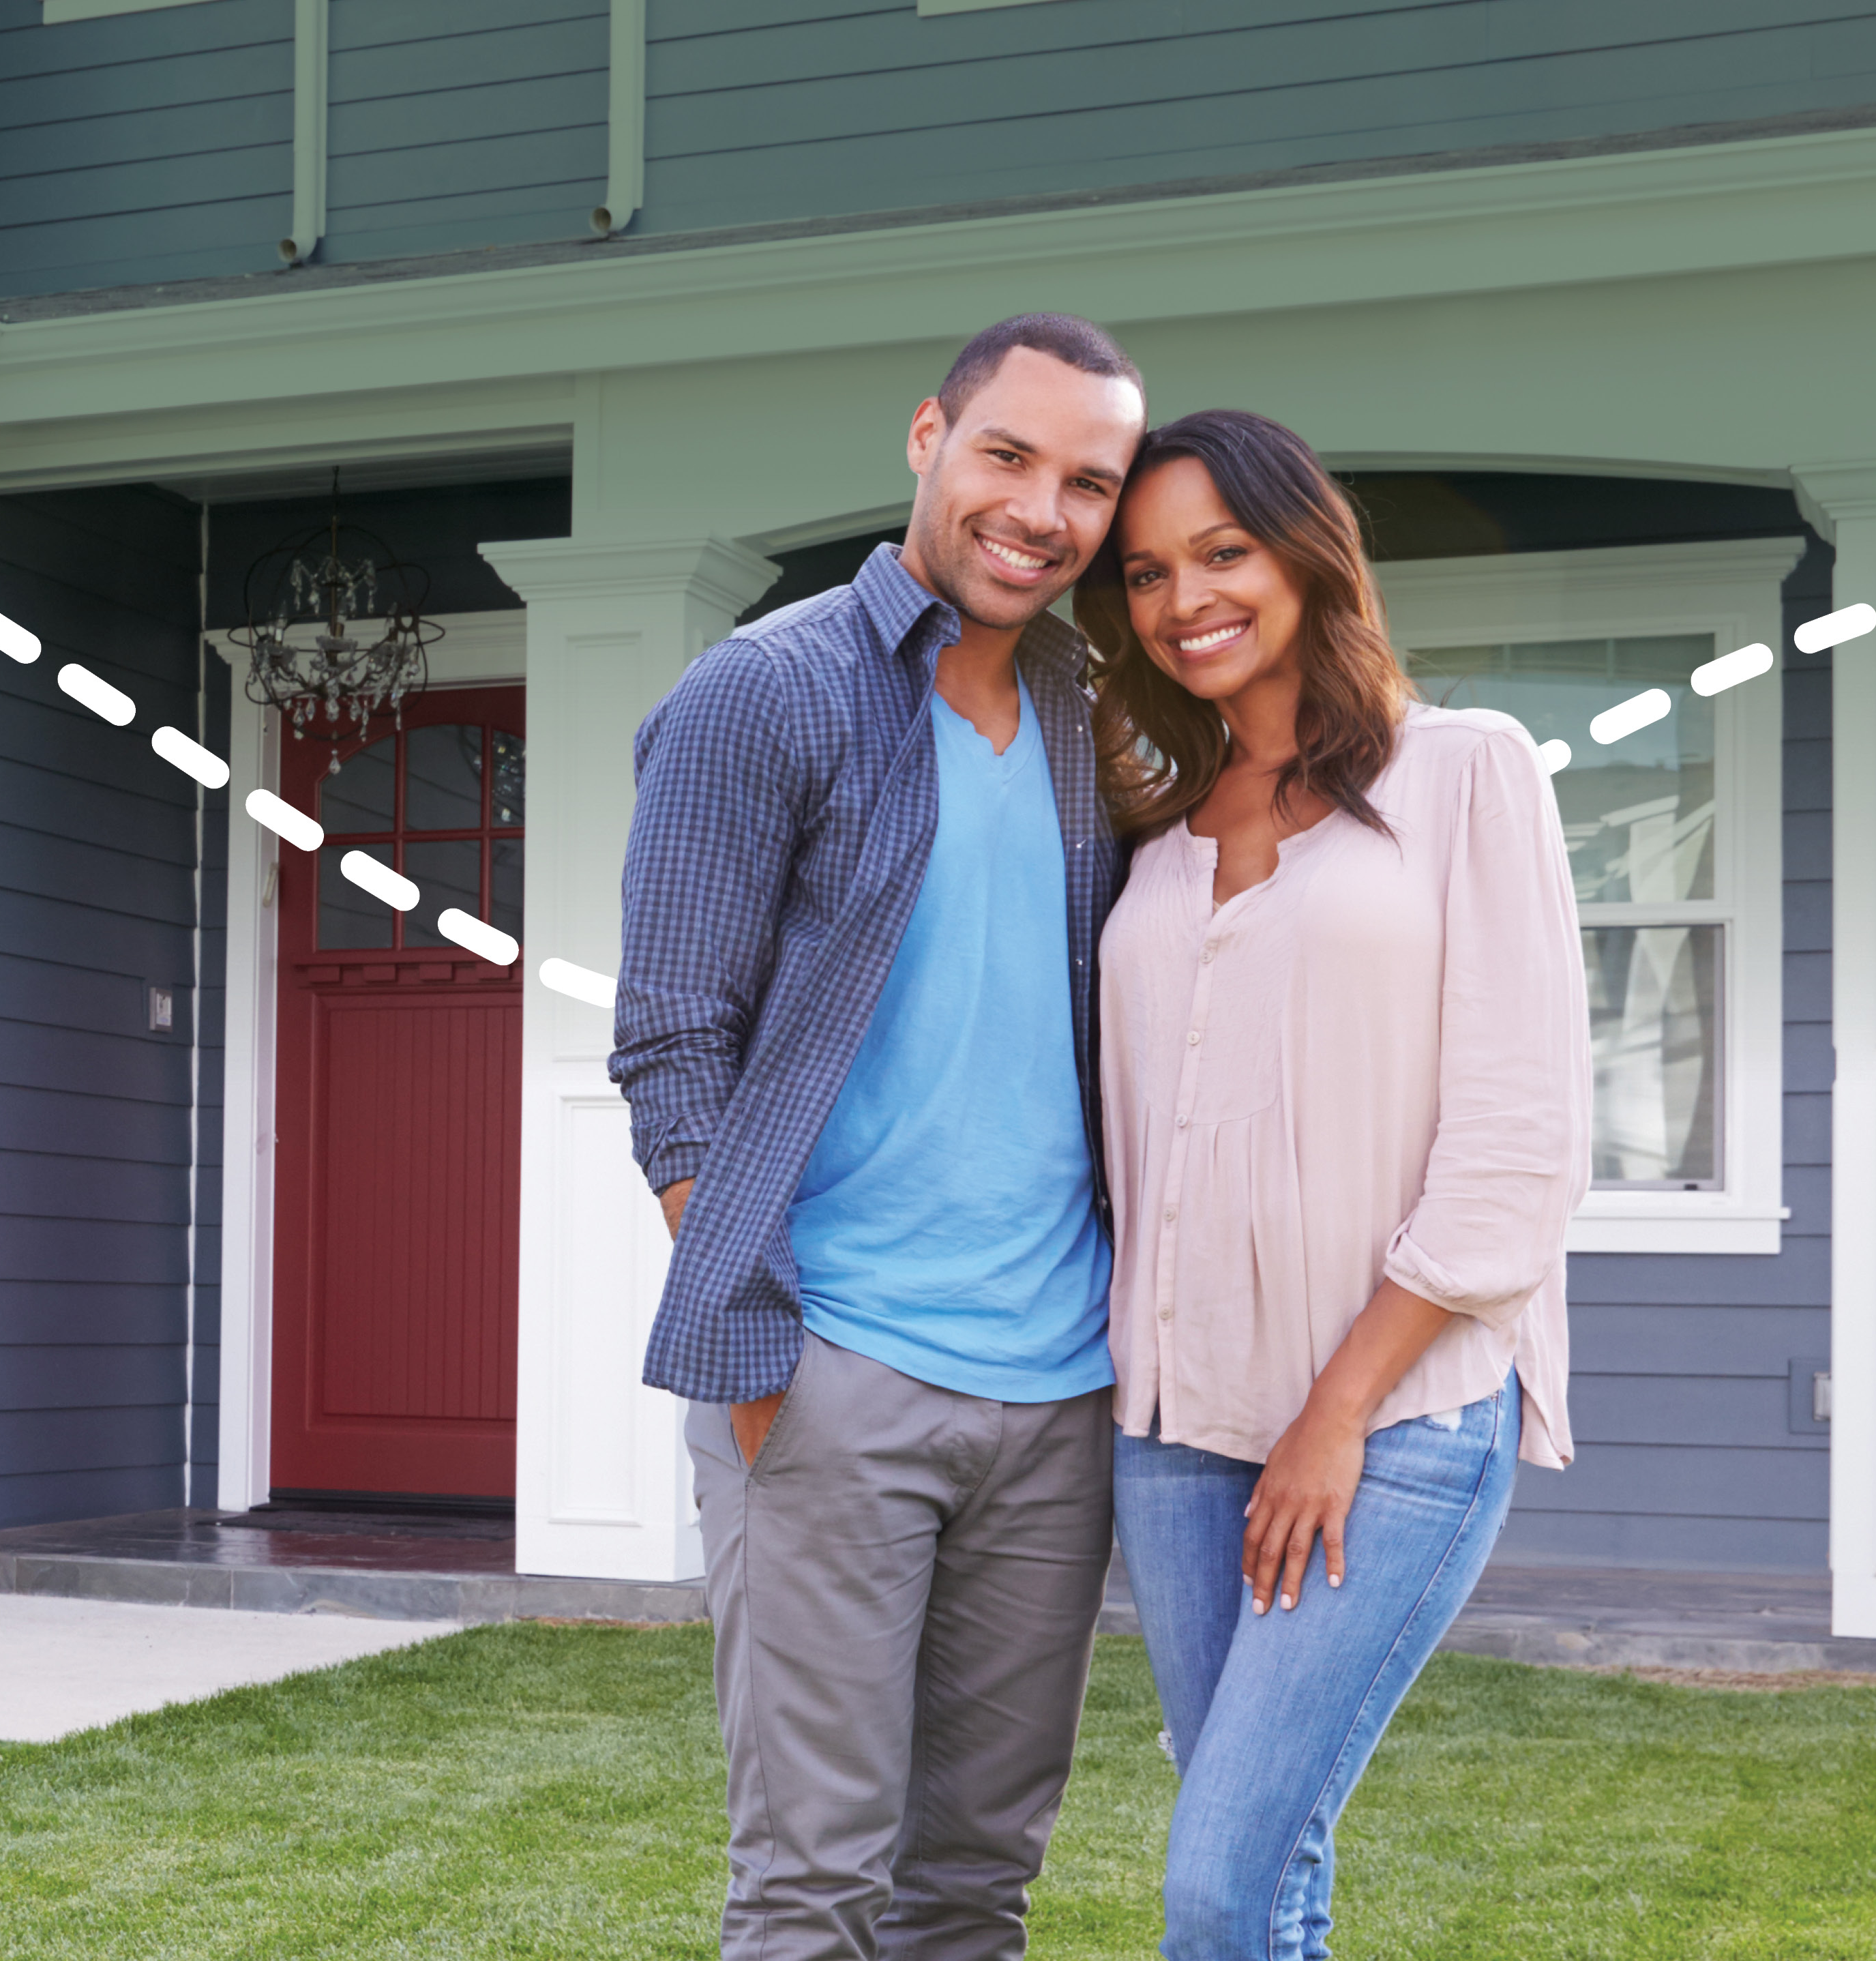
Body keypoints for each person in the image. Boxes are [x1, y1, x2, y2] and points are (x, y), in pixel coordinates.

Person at [613, 312, 1144, 1961]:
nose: (1040, 511)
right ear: (926, 438)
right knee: (814, 1884)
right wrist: (768, 1363)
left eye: (1086, 483)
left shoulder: (1086, 717)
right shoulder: (760, 695)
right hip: (833, 1364)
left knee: (974, 1885)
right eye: (1008, 455)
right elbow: (670, 1051)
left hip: (1056, 1387)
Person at [1080, 409, 1588, 1961]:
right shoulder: (1151, 830)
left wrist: (1335, 1412)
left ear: (1304, 552)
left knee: (1216, 1883)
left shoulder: (1462, 774)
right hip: (1171, 1431)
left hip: (1397, 1414)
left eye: (1220, 553)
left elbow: (1516, 1139)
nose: (1185, 600)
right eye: (1151, 571)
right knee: (1267, 1854)